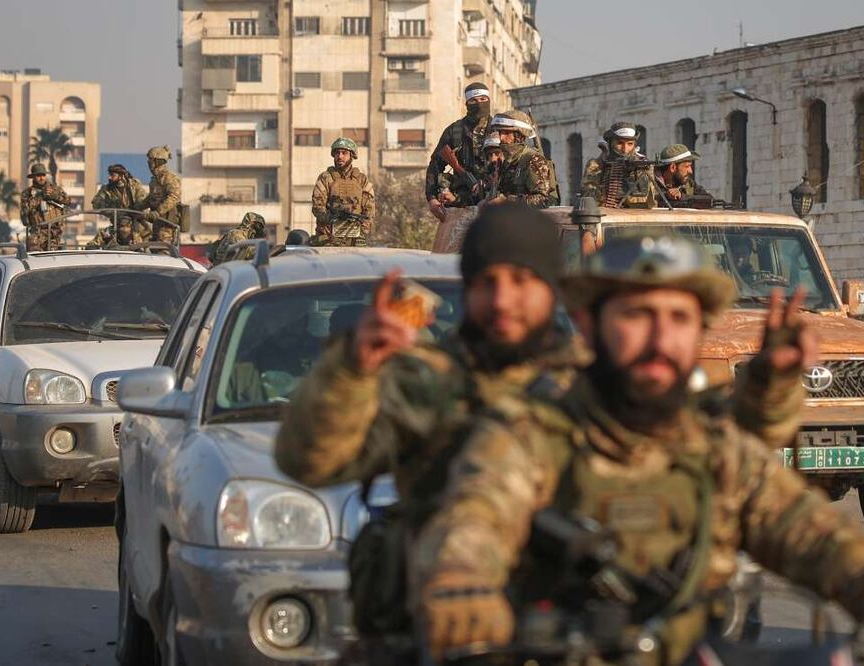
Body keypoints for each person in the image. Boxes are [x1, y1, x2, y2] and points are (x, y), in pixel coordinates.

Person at [413, 235, 864, 666]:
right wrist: (463, 587)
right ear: (588, 323)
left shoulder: (716, 449)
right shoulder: (529, 434)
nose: (662, 339)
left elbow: (811, 534)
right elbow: (476, 516)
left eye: (680, 319)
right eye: (638, 316)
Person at [276, 207, 806, 656]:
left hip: (578, 634)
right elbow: (310, 461)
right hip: (445, 636)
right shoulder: (424, 383)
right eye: (487, 282)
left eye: (523, 281)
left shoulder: (596, 375)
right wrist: (350, 373)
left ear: (551, 287)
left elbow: (724, 453)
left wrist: (770, 385)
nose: (503, 300)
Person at [426, 82, 494, 221]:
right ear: (467, 103)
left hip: (493, 202)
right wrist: (432, 198)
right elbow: (435, 166)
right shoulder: (455, 131)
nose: (479, 103)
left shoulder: (499, 129)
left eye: (483, 99)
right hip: (460, 203)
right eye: (473, 100)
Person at [476, 111, 557, 209]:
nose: (501, 137)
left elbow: (543, 200)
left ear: (518, 135)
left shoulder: (532, 160)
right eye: (500, 132)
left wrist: (507, 201)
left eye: (506, 133)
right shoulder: (507, 163)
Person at [310, 137, 375, 247]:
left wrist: (362, 231)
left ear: (351, 156)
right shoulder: (326, 178)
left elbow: (369, 210)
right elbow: (317, 206)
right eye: (337, 153)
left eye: (344, 153)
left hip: (355, 238)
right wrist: (331, 217)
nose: (340, 156)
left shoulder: (361, 180)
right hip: (329, 238)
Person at [580, 121, 654, 208]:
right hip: (606, 215)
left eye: (630, 144)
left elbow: (646, 200)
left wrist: (632, 175)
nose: (625, 149)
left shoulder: (642, 164)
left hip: (636, 215)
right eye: (620, 143)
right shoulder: (596, 165)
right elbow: (589, 198)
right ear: (611, 143)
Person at [20, 163, 71, 251]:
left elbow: (68, 201)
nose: (41, 178)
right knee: (34, 252)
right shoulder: (27, 193)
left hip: (55, 230)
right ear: (33, 177)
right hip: (38, 231)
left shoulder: (55, 189)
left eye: (43, 175)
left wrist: (54, 195)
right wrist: (40, 196)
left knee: (53, 256)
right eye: (38, 175)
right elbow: (25, 210)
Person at [137, 146, 182, 245]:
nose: (149, 163)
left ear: (158, 161)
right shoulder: (155, 179)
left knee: (163, 250)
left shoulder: (169, 177)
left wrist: (158, 212)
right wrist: (138, 206)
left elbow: (174, 197)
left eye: (151, 160)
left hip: (167, 224)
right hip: (157, 222)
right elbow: (151, 198)